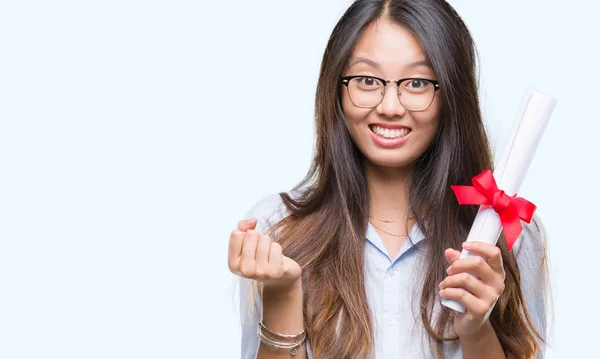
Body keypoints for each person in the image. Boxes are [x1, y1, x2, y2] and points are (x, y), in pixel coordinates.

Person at [227, 0, 548, 358]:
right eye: (366, 80)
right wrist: (283, 294)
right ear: (336, 89)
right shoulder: (278, 229)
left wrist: (475, 327)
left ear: (451, 94)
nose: (390, 106)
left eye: (416, 82)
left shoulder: (509, 232)